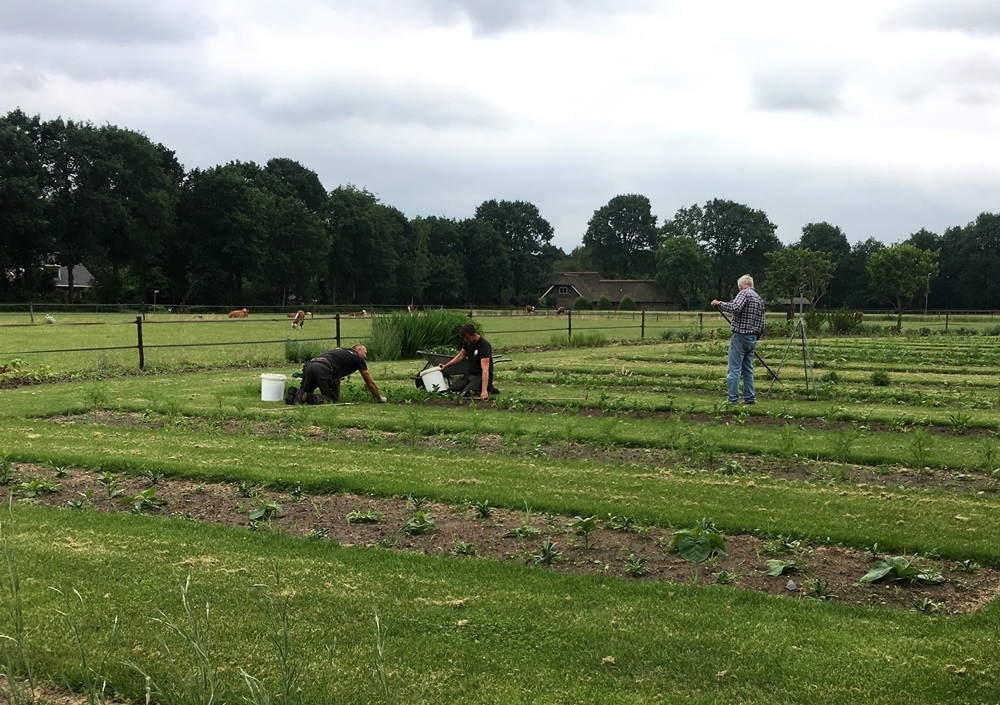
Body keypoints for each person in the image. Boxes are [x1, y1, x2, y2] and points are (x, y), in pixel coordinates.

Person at [711, 274, 766, 405]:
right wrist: (755, 336)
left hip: (740, 336)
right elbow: (762, 323)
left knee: (734, 369)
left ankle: (733, 399)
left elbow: (735, 307)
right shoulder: (759, 298)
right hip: (752, 337)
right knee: (748, 370)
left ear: (741, 286)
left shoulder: (744, 293)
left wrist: (719, 303)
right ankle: (750, 398)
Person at [285, 344, 387, 405]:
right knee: (331, 399)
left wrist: (337, 396)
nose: (366, 357)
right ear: (358, 349)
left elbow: (336, 380)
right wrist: (379, 398)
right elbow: (369, 382)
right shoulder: (357, 358)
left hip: (310, 364)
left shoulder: (340, 351)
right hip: (323, 368)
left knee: (302, 394)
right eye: (365, 353)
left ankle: (295, 394)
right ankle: (306, 396)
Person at [439, 323, 499, 400]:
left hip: (480, 376)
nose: (466, 340)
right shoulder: (468, 343)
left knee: (467, 393)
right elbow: (461, 356)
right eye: (465, 339)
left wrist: (484, 390)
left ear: (474, 334)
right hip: (470, 375)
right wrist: (446, 365)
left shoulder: (484, 346)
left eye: (467, 338)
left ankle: (488, 388)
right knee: (453, 390)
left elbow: (485, 369)